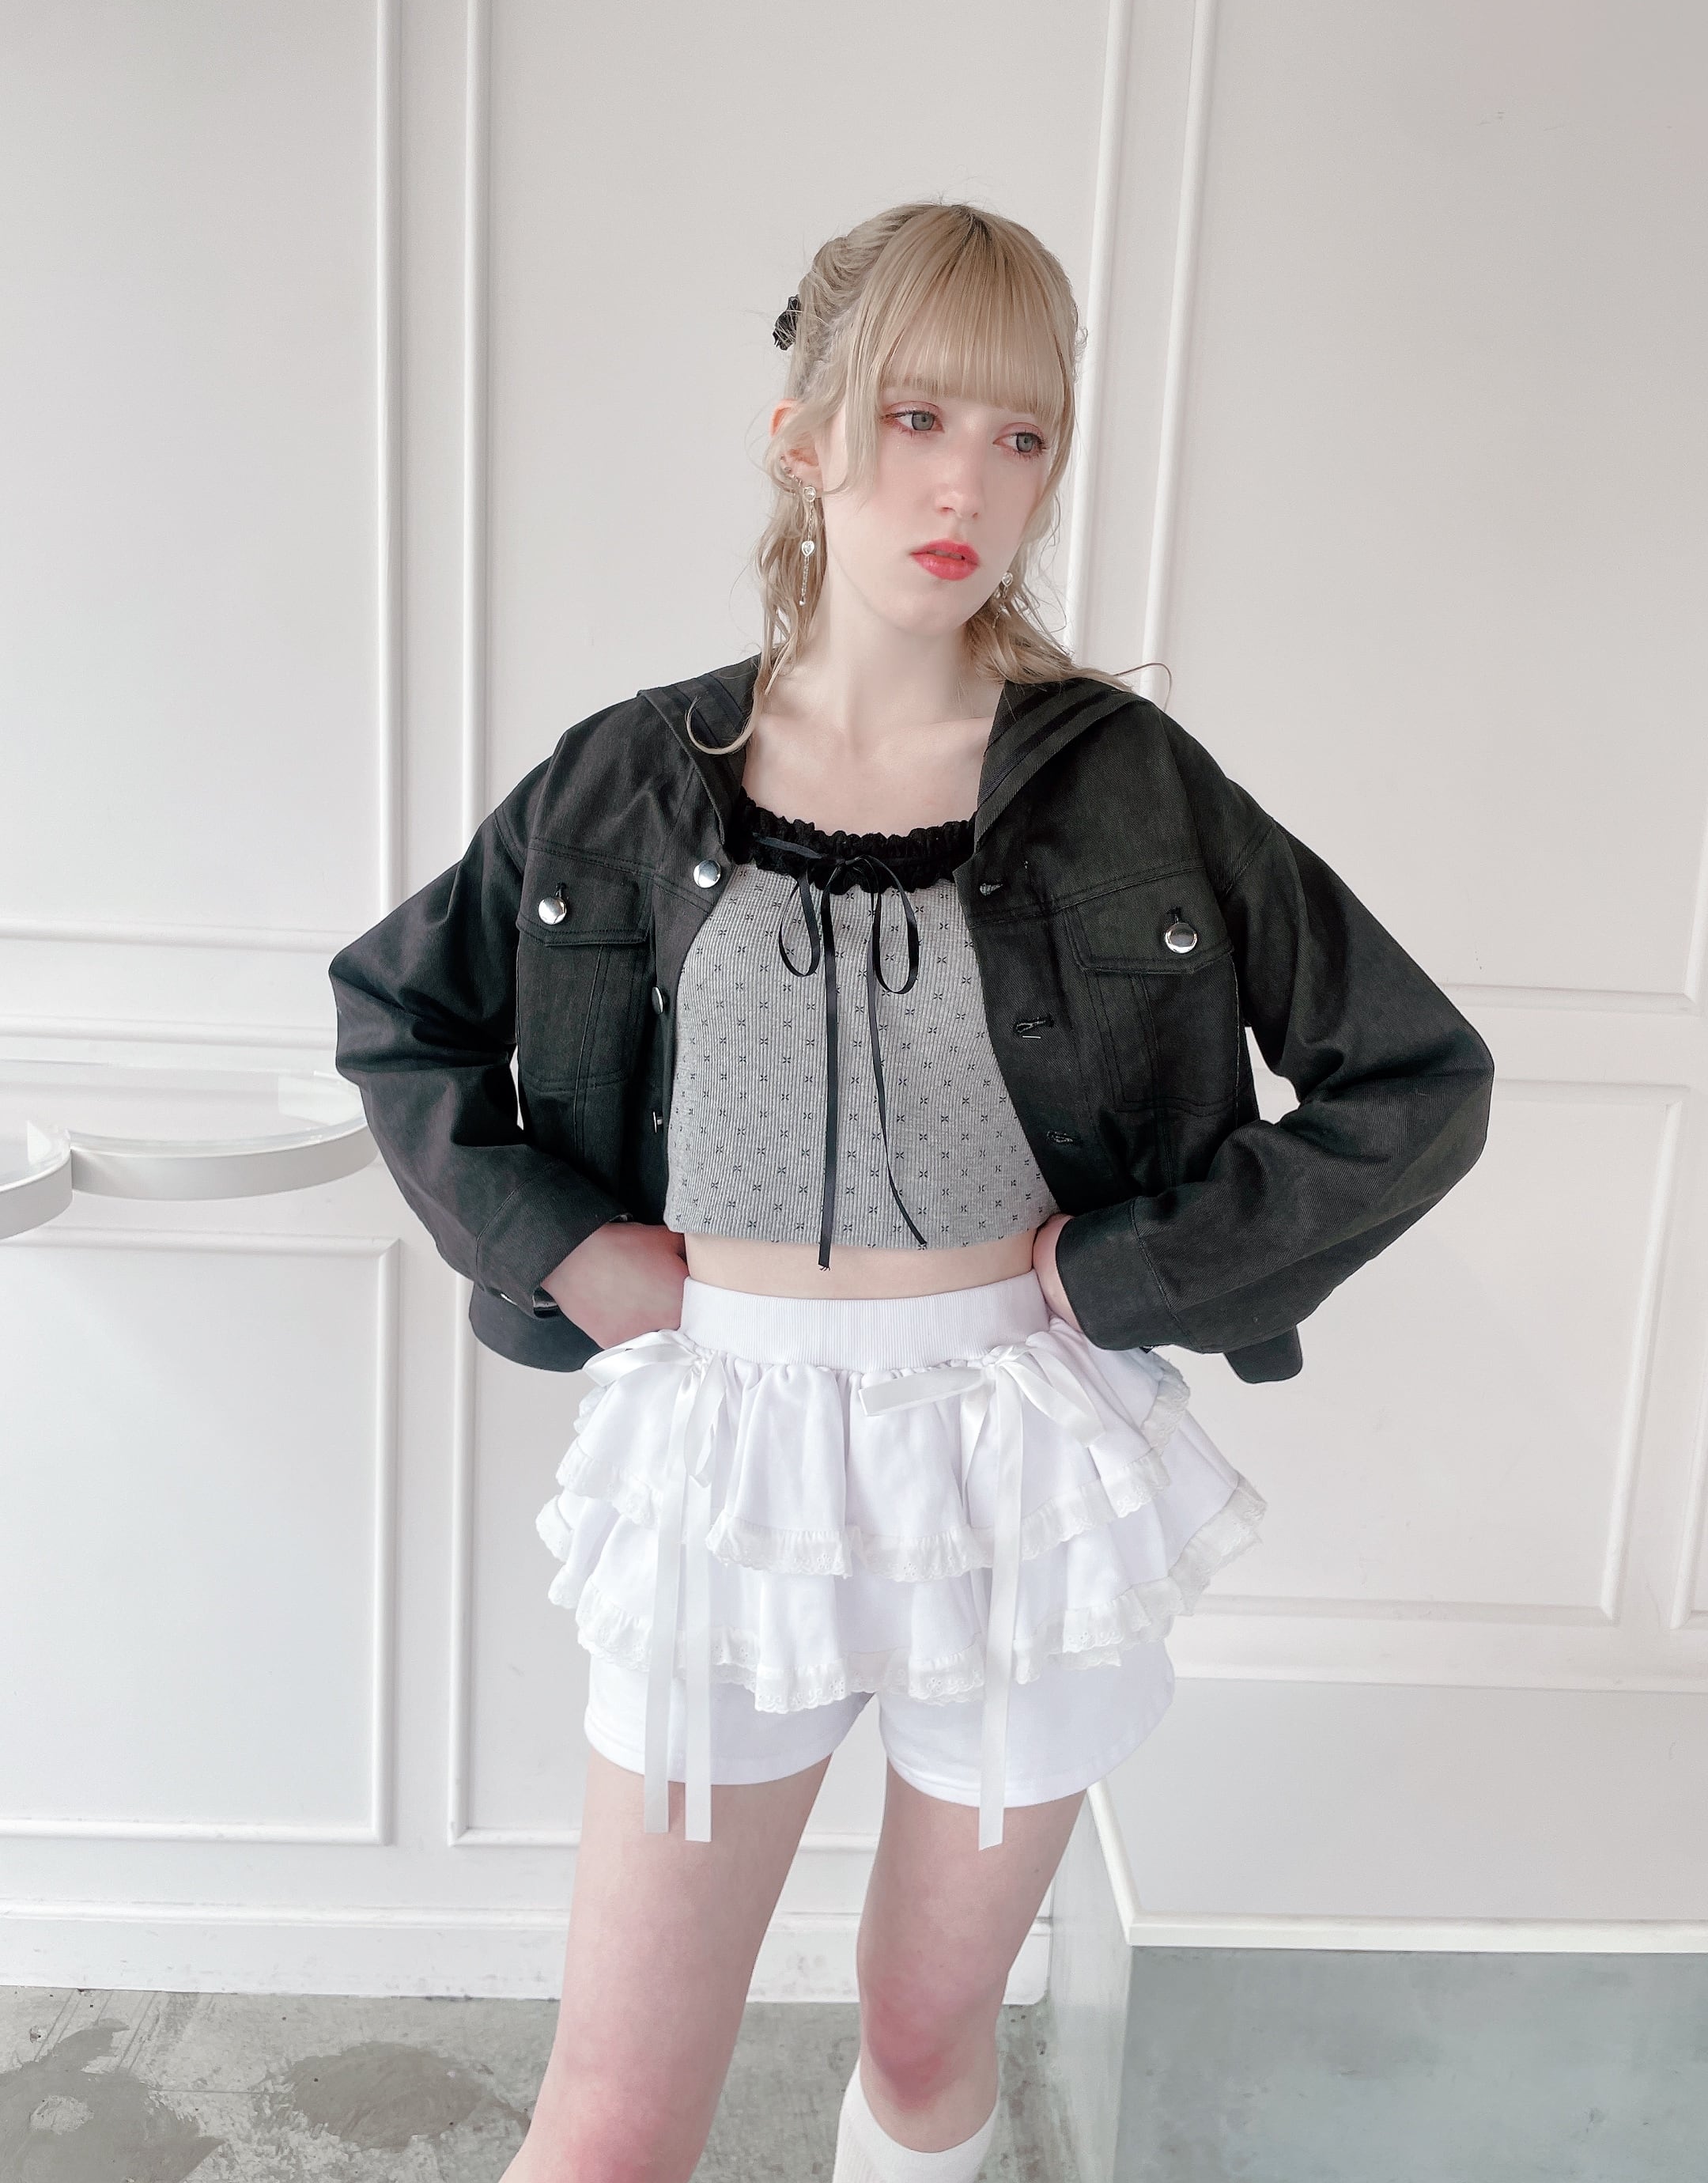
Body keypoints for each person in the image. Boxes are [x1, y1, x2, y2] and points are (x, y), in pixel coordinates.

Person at [328, 200, 1494, 2183]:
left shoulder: (1129, 785)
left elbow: (1414, 1077)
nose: (968, 484)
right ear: (803, 435)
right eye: (916, 416)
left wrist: (1140, 1272)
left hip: (1018, 1470)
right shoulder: (630, 776)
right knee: (611, 2123)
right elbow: (398, 1015)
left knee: (927, 2039)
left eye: (1022, 435)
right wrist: (558, 1246)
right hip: (729, 1465)